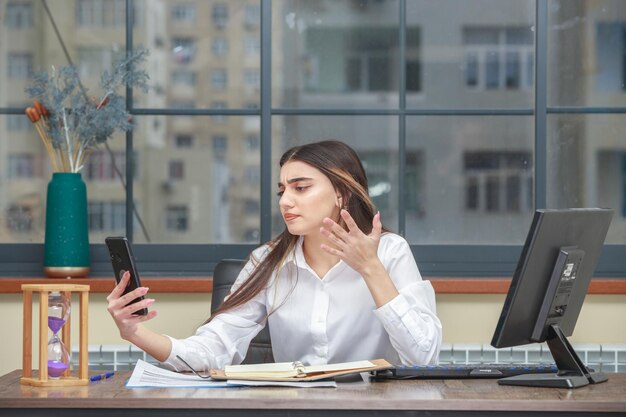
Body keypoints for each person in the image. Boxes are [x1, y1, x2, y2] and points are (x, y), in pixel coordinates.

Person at [107, 140, 442, 372]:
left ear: (341, 193)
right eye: (282, 190)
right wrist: (134, 333)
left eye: (300, 187)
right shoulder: (266, 262)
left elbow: (424, 357)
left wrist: (371, 269)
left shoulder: (390, 251)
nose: (285, 201)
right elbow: (212, 350)